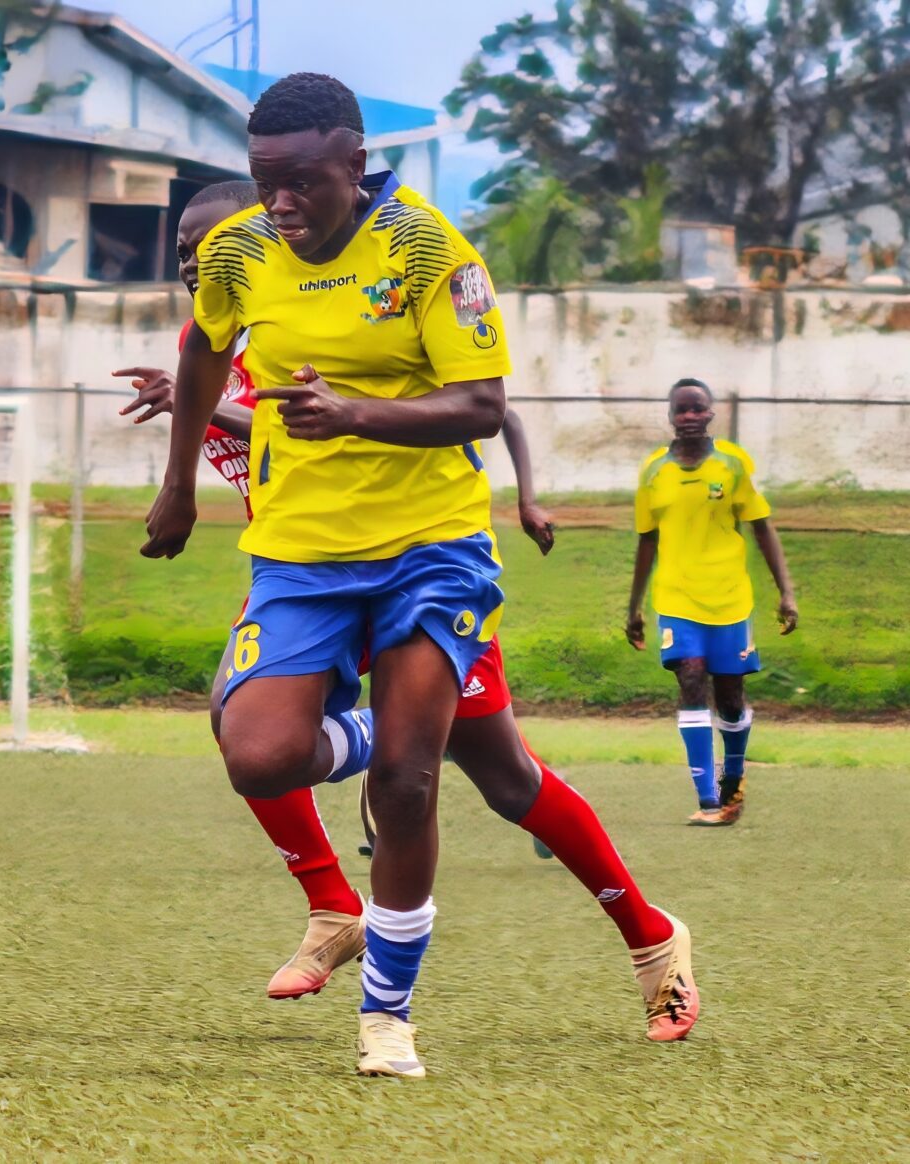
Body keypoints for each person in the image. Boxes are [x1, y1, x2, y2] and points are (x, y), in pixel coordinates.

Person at [141, 77, 697, 1077]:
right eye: (266, 184)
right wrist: (177, 486)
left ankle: (437, 1000)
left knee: (461, 778)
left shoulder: (431, 252)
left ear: (356, 167)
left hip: (430, 552)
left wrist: (354, 415)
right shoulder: (235, 256)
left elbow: (487, 406)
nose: (281, 205)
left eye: (302, 182)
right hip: (303, 558)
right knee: (260, 752)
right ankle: (349, 816)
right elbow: (202, 359)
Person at [627, 378, 796, 826]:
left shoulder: (733, 465)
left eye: (696, 408)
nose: (688, 417)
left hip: (729, 600)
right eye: (680, 410)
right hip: (676, 598)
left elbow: (762, 527)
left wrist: (787, 592)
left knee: (731, 697)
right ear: (670, 416)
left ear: (710, 413)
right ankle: (706, 800)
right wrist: (634, 608)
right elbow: (647, 540)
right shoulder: (652, 472)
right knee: (690, 677)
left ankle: (733, 779)